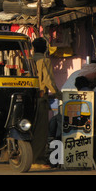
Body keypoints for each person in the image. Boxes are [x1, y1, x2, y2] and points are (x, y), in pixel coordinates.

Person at [31, 37, 62, 167]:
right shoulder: (44, 60)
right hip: (40, 98)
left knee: (30, 129)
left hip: (28, 98)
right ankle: (37, 159)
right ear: (44, 48)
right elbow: (49, 81)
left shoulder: (27, 60)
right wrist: (59, 95)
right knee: (40, 131)